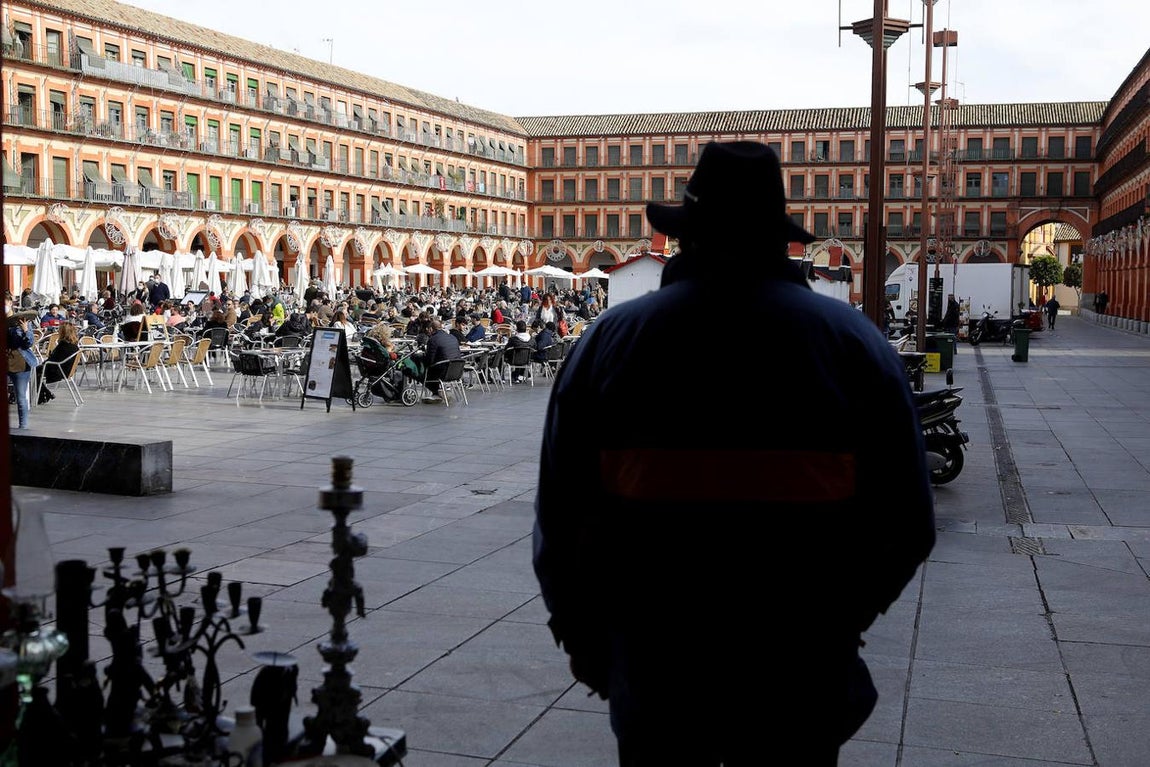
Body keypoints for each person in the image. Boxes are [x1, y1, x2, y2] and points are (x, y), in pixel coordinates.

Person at [532, 141, 936, 766]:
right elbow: (907, 520)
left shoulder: (609, 342)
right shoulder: (855, 345)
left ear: (686, 236)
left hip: (658, 672)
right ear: (779, 239)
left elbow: (560, 513)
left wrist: (585, 637)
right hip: (799, 677)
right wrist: (835, 624)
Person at [35, 320, 80, 404]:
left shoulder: (63, 345)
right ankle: (46, 394)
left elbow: (53, 360)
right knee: (37, 371)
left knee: (33, 372)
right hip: (67, 370)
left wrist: (44, 363)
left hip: (58, 371)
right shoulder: (74, 345)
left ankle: (43, 395)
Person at [420, 318, 461, 403]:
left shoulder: (433, 339)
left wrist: (421, 359)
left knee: (420, 371)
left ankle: (436, 392)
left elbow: (429, 360)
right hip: (456, 371)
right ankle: (438, 392)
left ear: (431, 329)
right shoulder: (453, 337)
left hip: (443, 372)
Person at [7, 314, 37, 428]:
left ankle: (23, 426)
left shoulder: (22, 321)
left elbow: (29, 343)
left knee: (21, 396)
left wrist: (25, 330)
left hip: (20, 362)